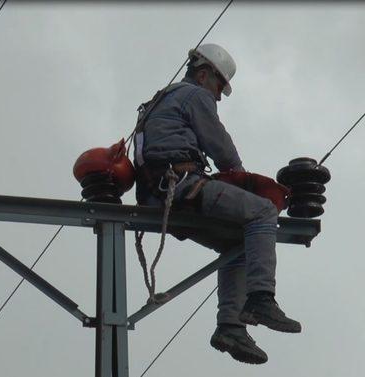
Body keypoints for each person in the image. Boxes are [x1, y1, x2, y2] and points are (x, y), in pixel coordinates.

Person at [133, 43, 300, 364]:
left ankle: (230, 328)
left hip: (157, 196)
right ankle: (262, 299)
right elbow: (219, 144)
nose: (220, 95)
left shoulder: (160, 100)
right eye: (220, 85)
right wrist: (241, 176)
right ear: (204, 73)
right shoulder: (195, 95)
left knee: (238, 242)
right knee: (262, 212)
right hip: (179, 187)